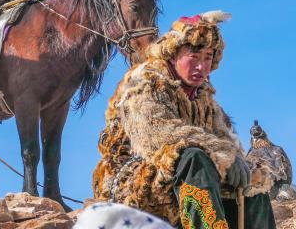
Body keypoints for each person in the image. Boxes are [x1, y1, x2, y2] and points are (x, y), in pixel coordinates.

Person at [92, 11, 276, 228]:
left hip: (182, 173)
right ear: (173, 54)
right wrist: (224, 156)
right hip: (131, 177)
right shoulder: (145, 81)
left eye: (208, 57)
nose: (202, 67)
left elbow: (222, 137)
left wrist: (236, 159)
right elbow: (160, 136)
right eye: (194, 57)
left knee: (252, 180)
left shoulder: (202, 94)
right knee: (193, 157)